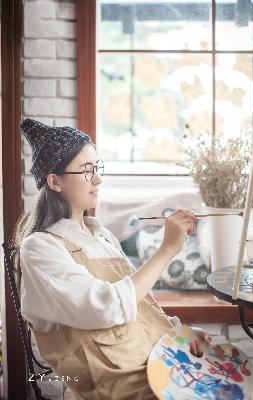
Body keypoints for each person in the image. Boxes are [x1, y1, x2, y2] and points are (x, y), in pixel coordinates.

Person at [12, 118, 211, 400]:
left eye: (97, 167)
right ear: (54, 181)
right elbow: (108, 307)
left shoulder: (100, 235)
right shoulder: (40, 248)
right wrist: (167, 250)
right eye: (86, 170)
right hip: (116, 381)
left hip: (151, 362)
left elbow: (140, 306)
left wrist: (180, 334)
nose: (98, 178)